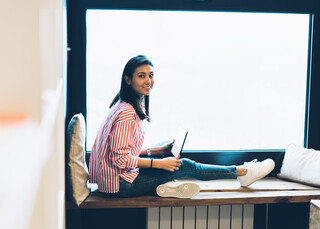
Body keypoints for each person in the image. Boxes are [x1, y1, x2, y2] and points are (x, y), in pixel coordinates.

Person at [89, 55, 275, 198]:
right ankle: (242, 171)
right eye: (141, 76)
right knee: (185, 166)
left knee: (165, 151)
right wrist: (159, 163)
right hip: (119, 184)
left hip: (113, 179)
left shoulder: (121, 105)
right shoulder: (128, 113)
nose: (149, 81)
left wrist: (155, 151)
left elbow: (121, 150)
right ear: (128, 79)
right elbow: (120, 159)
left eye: (151, 75)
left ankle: (167, 183)